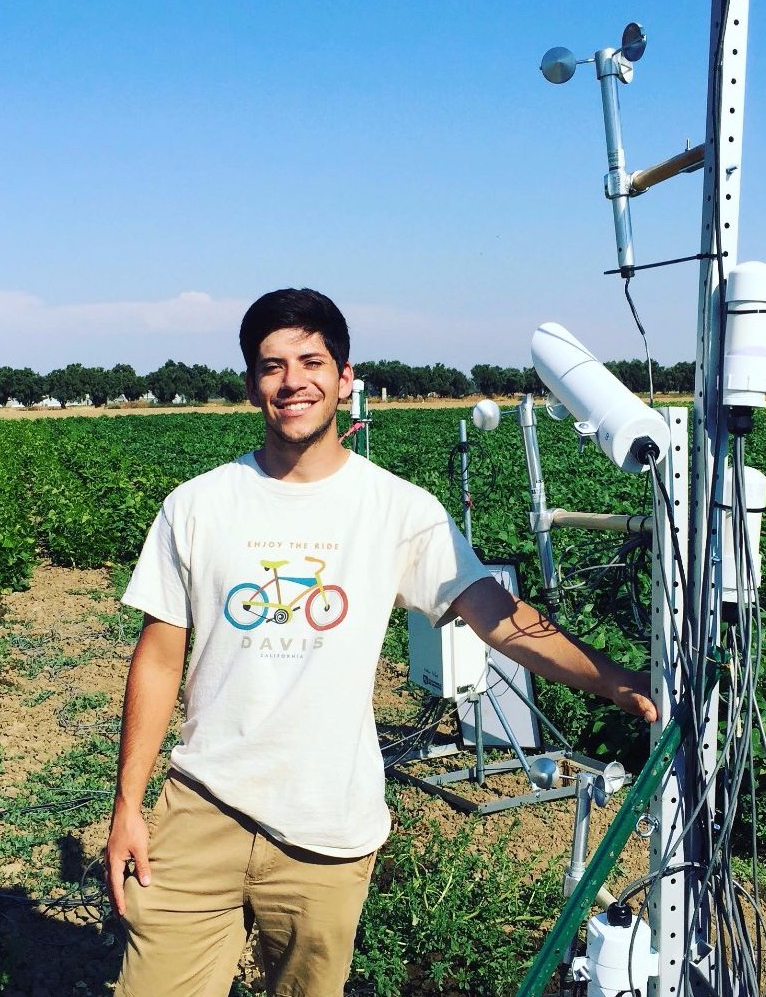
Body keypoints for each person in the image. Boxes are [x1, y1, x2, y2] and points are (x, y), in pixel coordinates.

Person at [105, 287, 657, 997]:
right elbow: (157, 656)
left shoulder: (399, 509)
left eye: (310, 361)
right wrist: (127, 806)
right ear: (251, 385)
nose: (291, 380)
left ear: (343, 378)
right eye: (271, 366)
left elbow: (496, 616)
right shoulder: (198, 504)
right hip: (199, 810)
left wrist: (611, 677)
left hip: (327, 826)